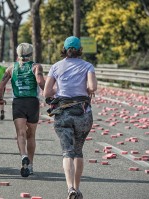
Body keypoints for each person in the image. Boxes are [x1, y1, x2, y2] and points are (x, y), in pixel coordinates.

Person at [43, 36, 97, 199]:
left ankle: (70, 188)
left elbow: (47, 92)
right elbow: (92, 87)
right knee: (78, 151)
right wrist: (86, 88)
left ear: (64, 50)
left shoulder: (56, 67)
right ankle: (78, 188)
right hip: (83, 113)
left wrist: (59, 90)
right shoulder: (88, 66)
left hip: (63, 113)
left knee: (67, 151)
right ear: (80, 50)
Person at [0, 43, 45, 177]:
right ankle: (31, 165)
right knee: (31, 135)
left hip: (18, 103)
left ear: (17, 54)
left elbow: (0, 87)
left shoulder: (11, 68)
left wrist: (0, 99)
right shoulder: (36, 67)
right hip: (32, 102)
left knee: (20, 133)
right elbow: (40, 82)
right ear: (31, 54)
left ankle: (23, 155)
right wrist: (50, 95)